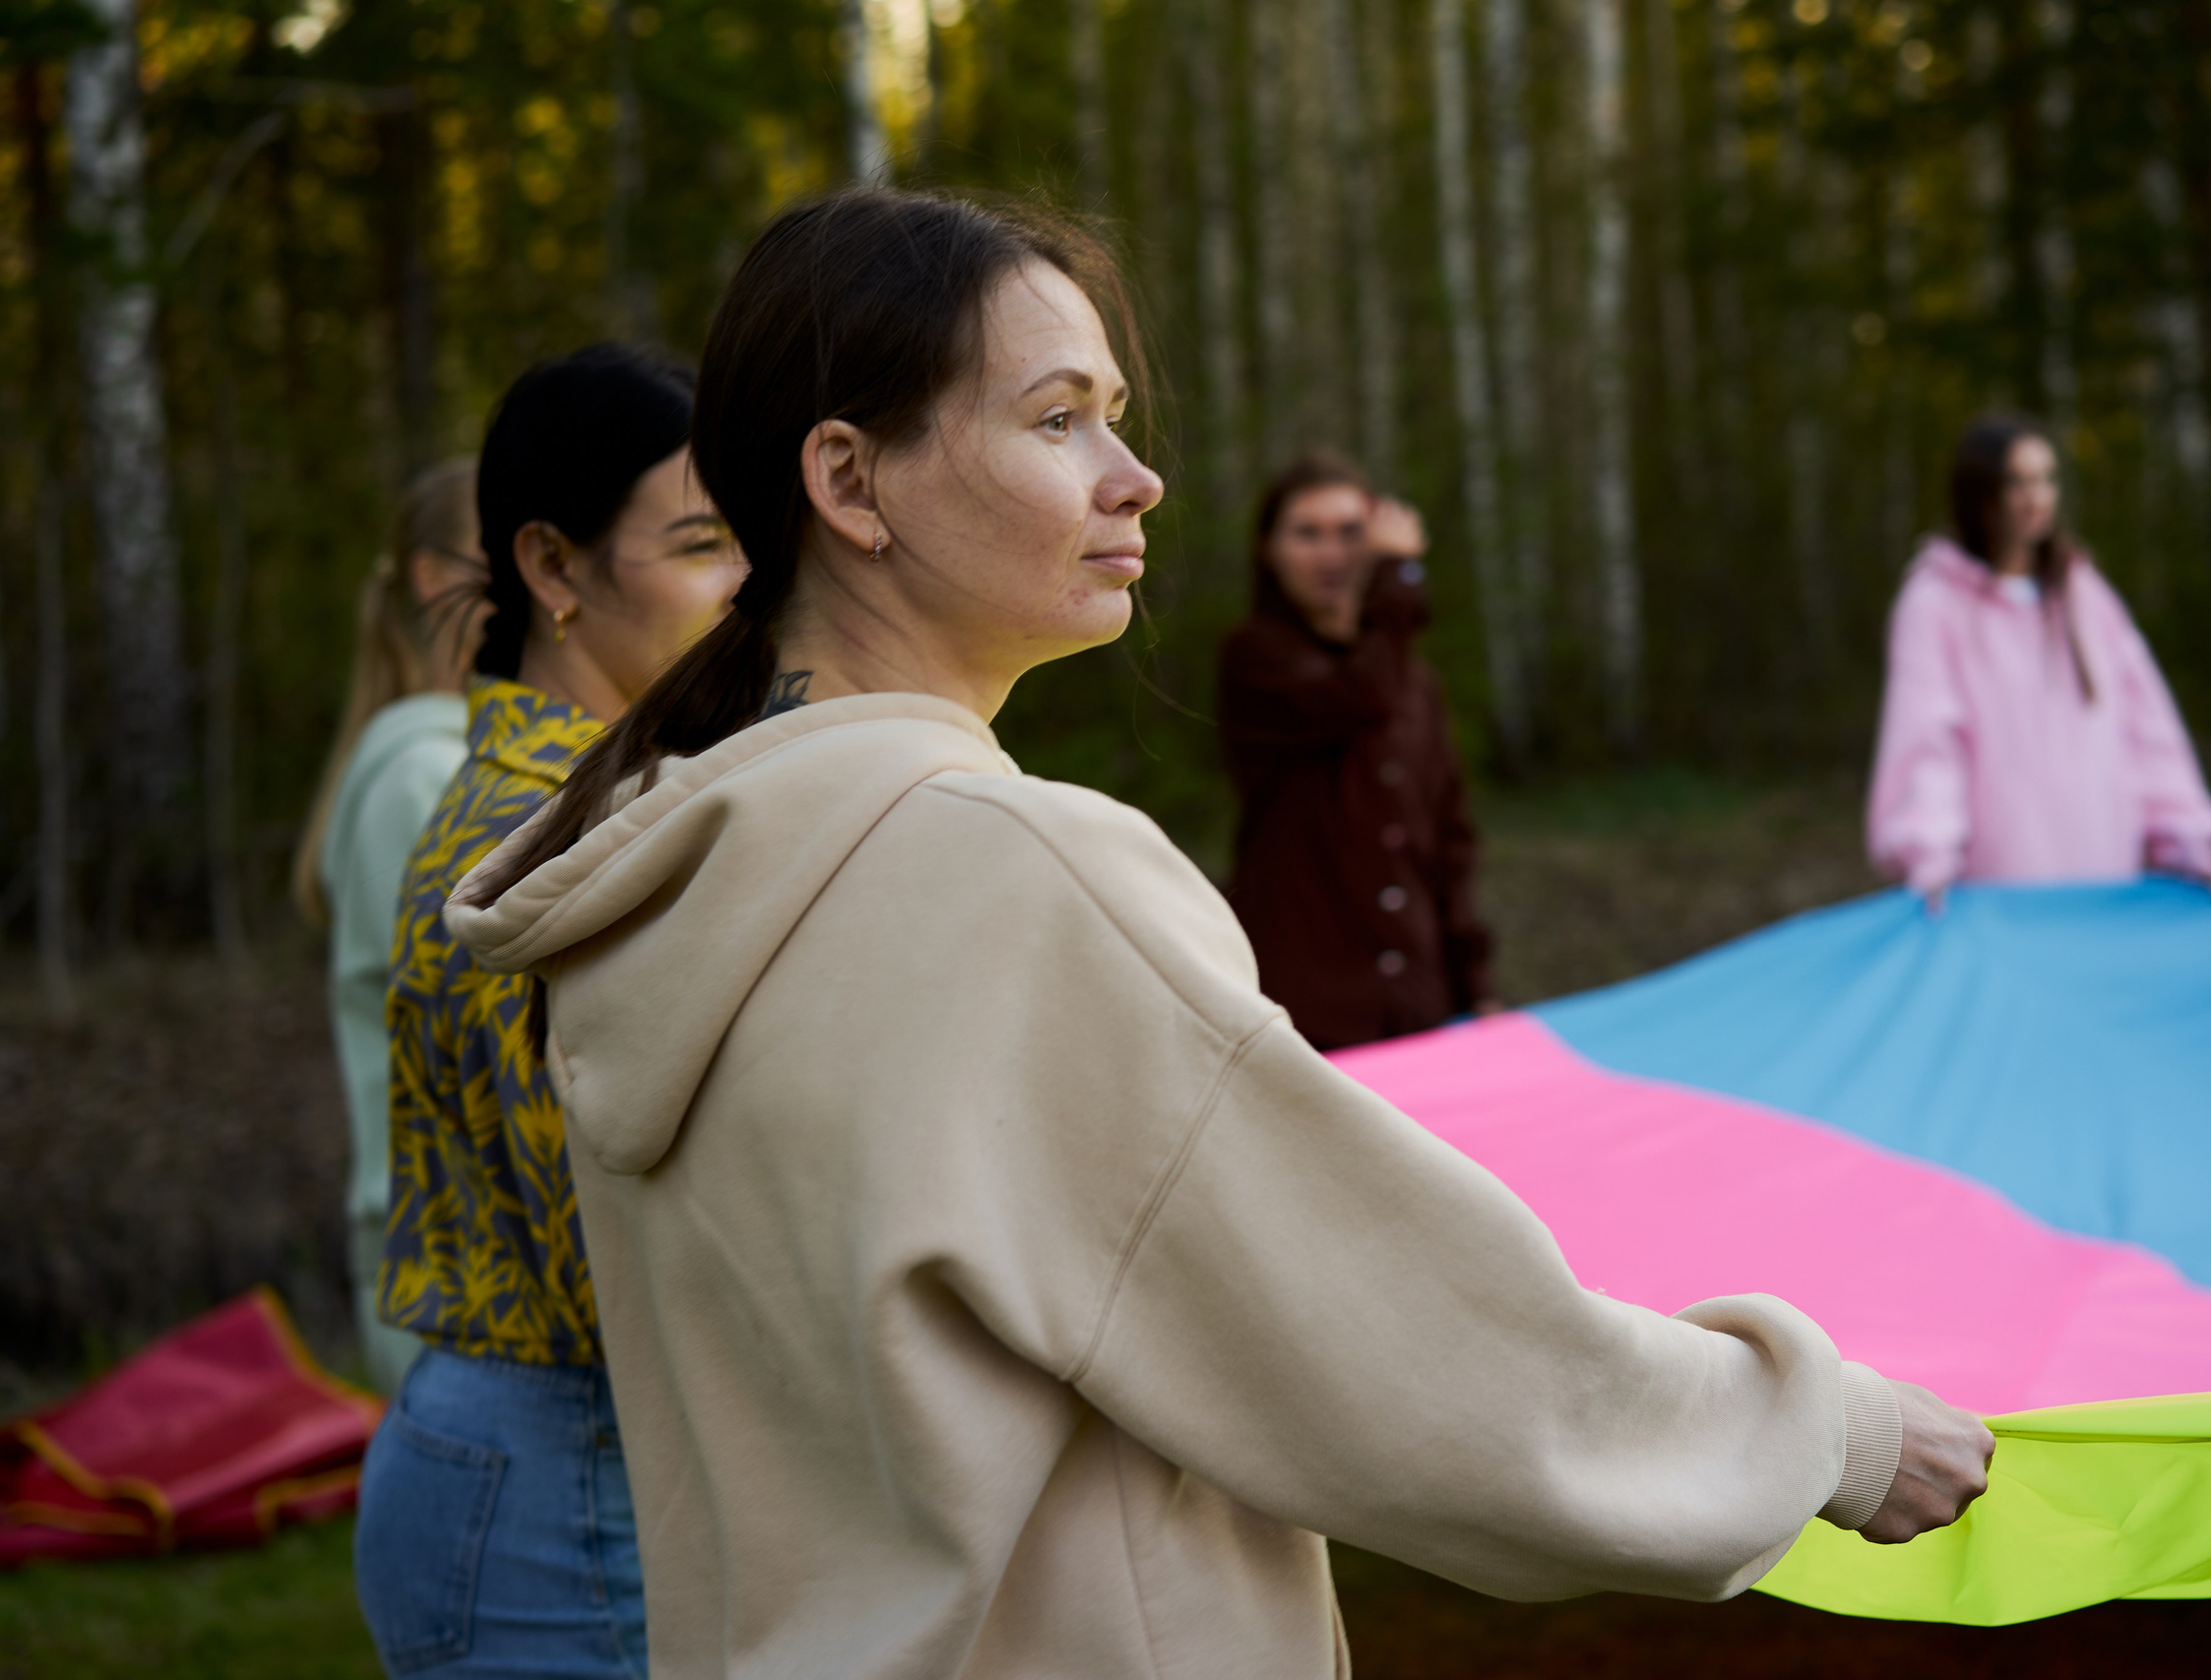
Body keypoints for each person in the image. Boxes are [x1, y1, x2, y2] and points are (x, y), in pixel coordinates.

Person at [444, 188, 1990, 1679]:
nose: (1135, 476)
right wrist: (1823, 1429)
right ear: (850, 486)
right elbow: (1408, 1346)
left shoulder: (665, 875)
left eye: (1115, 415)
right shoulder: (1005, 875)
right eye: (1057, 420)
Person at [354, 344, 745, 1679]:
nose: (750, 582)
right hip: (562, 1486)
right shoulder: (560, 837)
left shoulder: (595, 788)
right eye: (701, 541)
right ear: (554, 567)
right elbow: (617, 1254)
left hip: (553, 1460)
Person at [291, 457, 487, 1394]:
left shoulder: (444, 762)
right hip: (452, 1284)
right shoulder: (424, 779)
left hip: (452, 1273)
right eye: (523, 552)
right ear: (438, 578)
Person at [1867, 414, 2211, 904]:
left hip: (2104, 875)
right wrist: (1929, 853)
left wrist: (2186, 839)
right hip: (1997, 889)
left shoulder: (2083, 594)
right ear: (1979, 494)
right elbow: (1927, 741)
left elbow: (2147, 727)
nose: (2036, 497)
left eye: (2046, 479)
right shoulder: (1935, 604)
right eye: (2017, 482)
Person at [1219, 452, 1499, 1049]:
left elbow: (1449, 840)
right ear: (1268, 547)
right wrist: (1400, 579)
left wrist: (1476, 986)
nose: (1332, 555)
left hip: (1419, 1004)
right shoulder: (1255, 659)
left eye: (1351, 533)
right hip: (1304, 1015)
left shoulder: (1417, 684)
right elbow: (1357, 699)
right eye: (1307, 533)